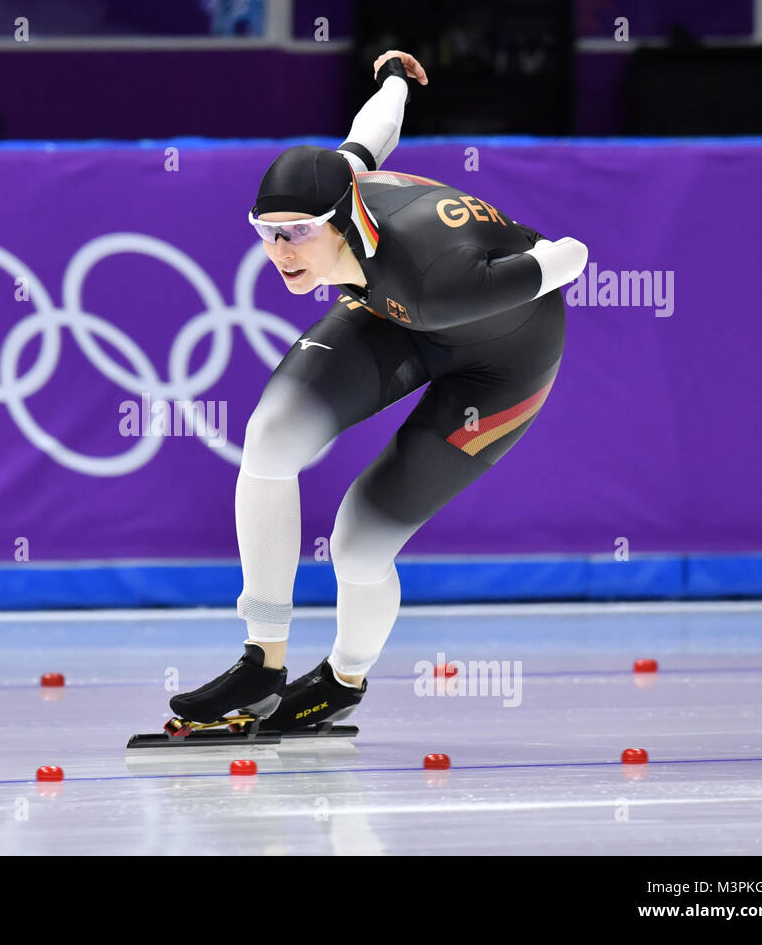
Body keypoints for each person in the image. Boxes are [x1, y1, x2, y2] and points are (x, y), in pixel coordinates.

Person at [169, 50, 587, 733]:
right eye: (268, 234)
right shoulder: (343, 185)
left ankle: (342, 680)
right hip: (389, 310)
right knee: (270, 437)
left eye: (299, 234)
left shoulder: (436, 283)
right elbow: (372, 133)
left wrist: (541, 256)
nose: (281, 253)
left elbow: (572, 257)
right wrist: (395, 76)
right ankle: (263, 660)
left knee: (359, 543)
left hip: (499, 356)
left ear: (345, 222)